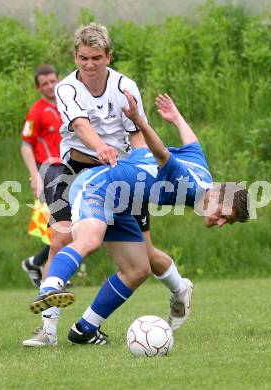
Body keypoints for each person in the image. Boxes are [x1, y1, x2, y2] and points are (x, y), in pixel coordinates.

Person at [29, 92, 249, 345]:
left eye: (226, 222)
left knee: (138, 269)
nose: (219, 222)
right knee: (89, 239)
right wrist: (139, 120)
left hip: (123, 201)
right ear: (219, 194)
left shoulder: (204, 173)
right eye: (222, 214)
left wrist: (176, 117)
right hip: (98, 186)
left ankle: (85, 329)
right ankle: (50, 287)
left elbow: (192, 143)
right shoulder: (191, 185)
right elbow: (163, 153)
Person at [22, 24, 189, 347]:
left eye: (96, 57)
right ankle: (48, 331)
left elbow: (136, 130)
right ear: (75, 56)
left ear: (108, 56)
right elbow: (81, 125)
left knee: (142, 262)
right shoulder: (66, 88)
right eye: (83, 58)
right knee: (60, 238)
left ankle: (177, 288)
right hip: (73, 169)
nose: (89, 64)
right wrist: (99, 146)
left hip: (118, 174)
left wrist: (142, 164)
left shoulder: (126, 86)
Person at [21, 64, 63, 288]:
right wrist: (35, 176)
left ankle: (36, 264)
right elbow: (26, 146)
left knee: (72, 226)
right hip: (48, 171)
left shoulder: (67, 105)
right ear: (38, 88)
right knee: (61, 226)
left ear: (59, 80)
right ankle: (52, 278)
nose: (49, 87)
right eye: (44, 84)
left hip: (69, 170)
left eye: (52, 81)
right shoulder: (36, 112)